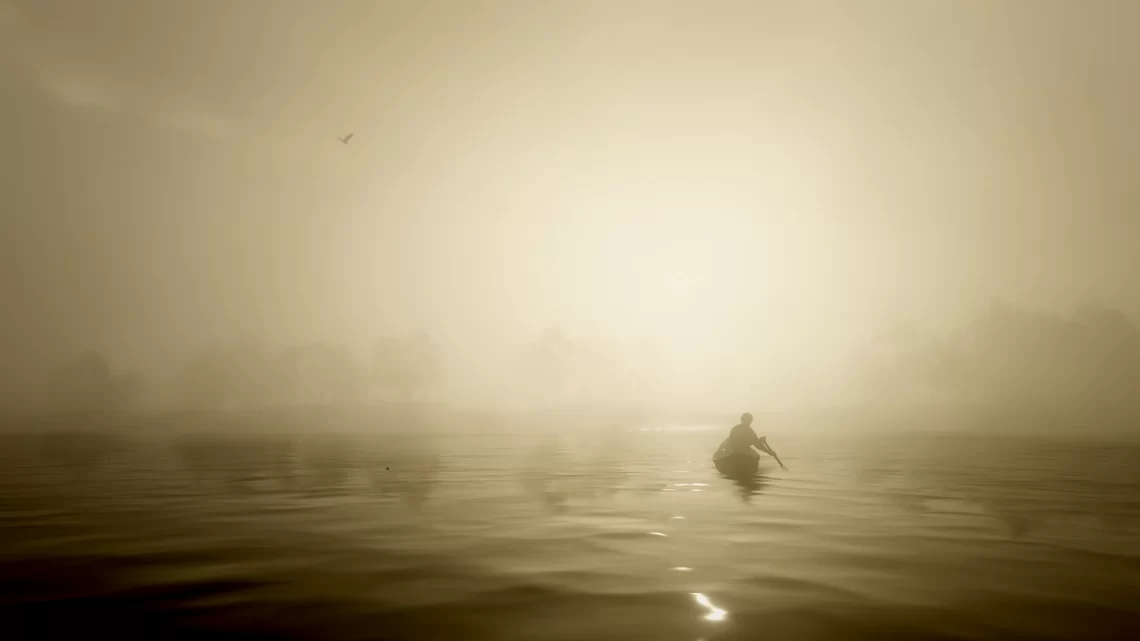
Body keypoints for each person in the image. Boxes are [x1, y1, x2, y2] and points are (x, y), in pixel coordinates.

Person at [718, 412, 787, 471]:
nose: (749, 422)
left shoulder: (735, 429)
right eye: (748, 420)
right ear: (749, 421)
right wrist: (770, 453)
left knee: (754, 455)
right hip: (742, 451)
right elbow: (758, 445)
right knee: (757, 456)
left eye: (749, 420)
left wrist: (720, 449)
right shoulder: (750, 432)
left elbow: (730, 441)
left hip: (735, 451)